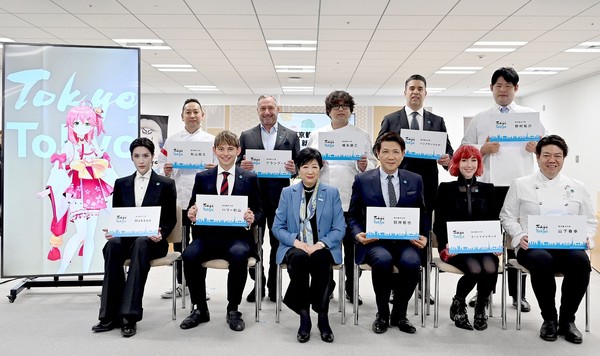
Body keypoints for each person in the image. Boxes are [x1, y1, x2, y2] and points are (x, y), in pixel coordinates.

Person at [462, 67, 547, 312]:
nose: (503, 90)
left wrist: (537, 147)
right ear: (491, 89)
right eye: (498, 86)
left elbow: (549, 144)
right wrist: (482, 149)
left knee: (518, 241)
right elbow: (464, 149)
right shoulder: (481, 117)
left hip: (520, 187)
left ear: (516, 89)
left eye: (508, 86)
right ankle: (484, 293)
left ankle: (518, 294)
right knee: (487, 243)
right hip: (489, 187)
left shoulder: (530, 115)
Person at [500, 135, 596, 344]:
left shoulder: (577, 186)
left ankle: (568, 320)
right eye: (546, 155)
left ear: (564, 158)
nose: (552, 160)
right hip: (532, 245)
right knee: (542, 260)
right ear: (537, 157)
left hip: (567, 245)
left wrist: (588, 237)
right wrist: (519, 235)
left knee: (581, 263)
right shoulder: (521, 184)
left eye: (557, 156)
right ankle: (549, 319)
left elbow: (590, 220)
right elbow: (506, 215)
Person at [376, 74, 453, 304]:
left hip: (426, 189)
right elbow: (377, 148)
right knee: (394, 236)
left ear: (425, 93)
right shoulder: (391, 119)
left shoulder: (437, 121)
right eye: (412, 88)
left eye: (420, 88)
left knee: (422, 237)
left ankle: (422, 286)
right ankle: (392, 286)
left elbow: (449, 152)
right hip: (396, 188)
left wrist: (446, 158)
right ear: (405, 92)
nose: (416, 92)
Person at [92, 137, 177, 337]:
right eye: (137, 156)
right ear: (131, 158)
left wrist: (161, 232)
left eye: (145, 156)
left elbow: (170, 219)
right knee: (112, 246)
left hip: (153, 242)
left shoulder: (165, 183)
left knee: (141, 244)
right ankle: (109, 315)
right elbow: (119, 216)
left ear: (152, 157)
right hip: (128, 239)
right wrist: (114, 230)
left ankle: (129, 315)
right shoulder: (121, 184)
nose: (141, 160)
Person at [180, 130, 262, 332]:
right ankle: (200, 309)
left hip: (237, 238)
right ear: (214, 150)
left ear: (238, 150)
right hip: (207, 237)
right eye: (221, 149)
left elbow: (260, 210)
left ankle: (233, 309)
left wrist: (253, 217)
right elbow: (193, 207)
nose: (226, 153)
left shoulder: (249, 177)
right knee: (189, 255)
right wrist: (192, 214)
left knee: (239, 255)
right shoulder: (202, 177)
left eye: (230, 149)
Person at [347, 132, 430, 334]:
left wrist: (424, 235)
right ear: (377, 154)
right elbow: (352, 215)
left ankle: (400, 314)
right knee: (382, 260)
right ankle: (382, 314)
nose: (390, 156)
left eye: (395, 152)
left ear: (403, 154)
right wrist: (358, 234)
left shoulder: (415, 180)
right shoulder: (362, 180)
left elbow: (423, 212)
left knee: (412, 263)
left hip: (405, 240)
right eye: (385, 151)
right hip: (376, 241)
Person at [306, 90, 377, 305]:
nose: (340, 109)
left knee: (352, 248)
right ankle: (327, 285)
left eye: (345, 106)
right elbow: (307, 166)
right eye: (336, 106)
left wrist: (363, 166)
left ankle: (351, 287)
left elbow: (373, 164)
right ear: (329, 111)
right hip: (323, 201)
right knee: (325, 248)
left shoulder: (361, 135)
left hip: (352, 201)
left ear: (350, 110)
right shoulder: (317, 135)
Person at [272, 148, 346, 343]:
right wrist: (296, 242)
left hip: (324, 246)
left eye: (314, 166)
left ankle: (322, 317)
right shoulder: (287, 193)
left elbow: (339, 228)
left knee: (320, 260)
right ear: (298, 169)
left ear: (321, 168)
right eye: (305, 166)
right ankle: (304, 318)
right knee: (299, 257)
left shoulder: (331, 193)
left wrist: (320, 244)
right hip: (295, 246)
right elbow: (277, 227)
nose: (310, 171)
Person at [40, 101, 118, 274]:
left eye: (87, 123)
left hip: (94, 191)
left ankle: (86, 271)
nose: (82, 127)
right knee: (81, 234)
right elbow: (59, 167)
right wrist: (50, 187)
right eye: (77, 123)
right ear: (71, 124)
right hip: (77, 192)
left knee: (90, 236)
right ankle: (61, 271)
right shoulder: (69, 146)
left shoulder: (93, 144)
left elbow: (104, 165)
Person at [237, 94, 300, 302]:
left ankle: (274, 286)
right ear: (257, 111)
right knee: (253, 245)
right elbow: (237, 165)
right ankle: (258, 285)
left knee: (277, 243)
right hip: (253, 199)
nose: (266, 112)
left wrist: (294, 169)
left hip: (280, 200)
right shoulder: (246, 136)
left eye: (270, 108)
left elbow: (298, 168)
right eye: (262, 108)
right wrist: (241, 167)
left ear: (277, 109)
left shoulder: (291, 135)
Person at [433, 145, 499, 331]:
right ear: (456, 163)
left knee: (490, 266)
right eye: (464, 160)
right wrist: (447, 242)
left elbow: (494, 220)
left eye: (473, 160)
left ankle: (480, 307)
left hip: (483, 245)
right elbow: (439, 222)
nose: (469, 165)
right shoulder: (445, 188)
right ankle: (459, 303)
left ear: (478, 163)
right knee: (475, 269)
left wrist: (494, 242)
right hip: (454, 245)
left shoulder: (488, 189)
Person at [157, 98, 215, 299]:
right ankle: (181, 284)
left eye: (196, 112)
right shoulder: (172, 141)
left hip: (203, 203)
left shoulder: (212, 141)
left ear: (202, 115)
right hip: (180, 201)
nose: (192, 116)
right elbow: (161, 166)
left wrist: (214, 169)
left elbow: (223, 168)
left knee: (200, 244)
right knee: (181, 245)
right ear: (182, 116)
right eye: (188, 112)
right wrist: (165, 170)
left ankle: (199, 286)